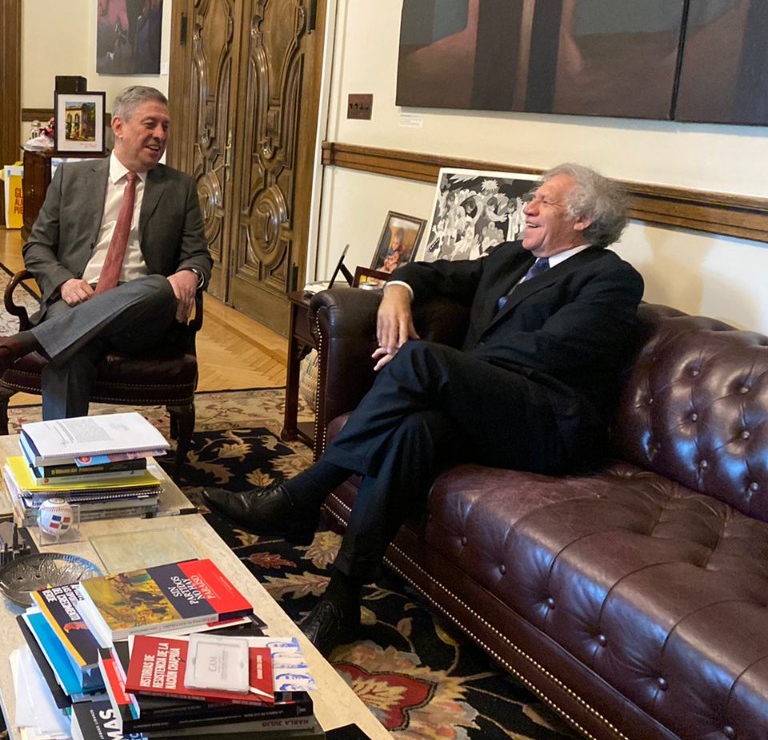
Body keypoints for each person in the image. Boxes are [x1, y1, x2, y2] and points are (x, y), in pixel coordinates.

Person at [204, 163, 644, 653]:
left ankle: (305, 494)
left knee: (419, 360)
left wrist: (441, 368)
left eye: (544, 201)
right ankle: (343, 595)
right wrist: (397, 293)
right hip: (483, 411)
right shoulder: (508, 259)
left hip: (547, 423)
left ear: (582, 219)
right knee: (412, 432)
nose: (528, 207)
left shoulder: (611, 279)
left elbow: (548, 351)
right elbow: (427, 272)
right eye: (531, 199)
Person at [0, 86, 212, 418]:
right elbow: (37, 245)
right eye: (150, 124)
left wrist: (191, 271)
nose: (160, 135)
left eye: (166, 126)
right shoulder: (71, 178)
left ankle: (23, 343)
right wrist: (63, 283)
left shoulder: (180, 188)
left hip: (143, 317)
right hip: (76, 300)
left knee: (159, 286)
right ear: (119, 126)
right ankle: (61, 457)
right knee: (70, 354)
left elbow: (198, 254)